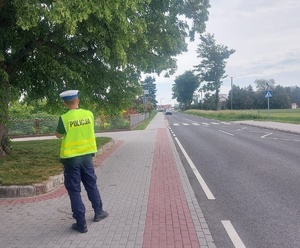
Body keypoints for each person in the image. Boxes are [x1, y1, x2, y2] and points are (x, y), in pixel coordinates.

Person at [55, 90, 108, 233]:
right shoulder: (89, 114)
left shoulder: (64, 118)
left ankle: (81, 223)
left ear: (65, 103)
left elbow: (58, 135)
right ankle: (99, 212)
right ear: (77, 100)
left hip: (71, 159)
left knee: (74, 190)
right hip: (87, 158)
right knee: (91, 185)